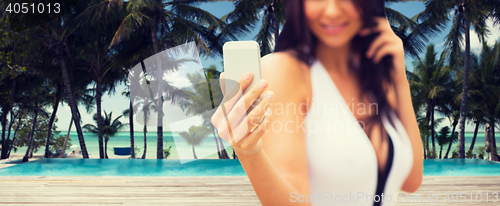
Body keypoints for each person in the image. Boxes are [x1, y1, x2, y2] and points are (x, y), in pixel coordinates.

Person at [211, 0, 424, 205]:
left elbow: (410, 180)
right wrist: (249, 152)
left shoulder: (374, 77)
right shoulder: (283, 71)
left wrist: (399, 78)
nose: (331, 11)